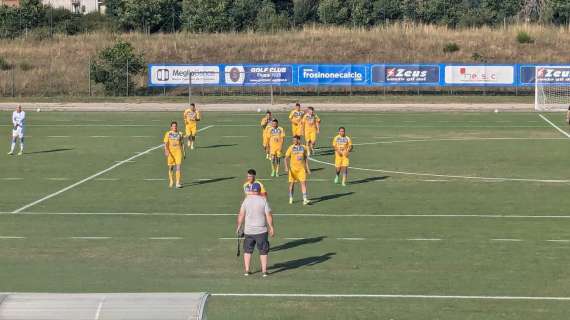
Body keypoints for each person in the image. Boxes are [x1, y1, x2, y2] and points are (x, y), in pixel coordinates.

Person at [236, 191, 275, 277]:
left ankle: (247, 270)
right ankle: (264, 271)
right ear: (258, 191)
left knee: (247, 251)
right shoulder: (263, 200)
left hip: (248, 231)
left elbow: (241, 214)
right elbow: (268, 215)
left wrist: (239, 226)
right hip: (261, 230)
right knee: (263, 251)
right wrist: (271, 227)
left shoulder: (246, 200)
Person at [284, 135, 311, 205]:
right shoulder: (291, 147)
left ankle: (305, 199)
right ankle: (291, 197)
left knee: (303, 183)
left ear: (299, 140)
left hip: (301, 169)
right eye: (293, 140)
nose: (294, 141)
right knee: (292, 184)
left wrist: (307, 168)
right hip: (293, 169)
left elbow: (305, 158)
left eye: (295, 140)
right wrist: (286, 167)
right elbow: (286, 157)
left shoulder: (304, 147)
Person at [163, 121, 185, 188]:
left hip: (178, 152)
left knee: (178, 167)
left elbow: (182, 143)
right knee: (171, 167)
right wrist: (166, 150)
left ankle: (177, 182)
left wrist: (184, 152)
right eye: (173, 126)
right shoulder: (168, 133)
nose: (174, 127)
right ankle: (171, 180)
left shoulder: (180, 133)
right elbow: (165, 143)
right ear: (171, 127)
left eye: (175, 126)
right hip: (171, 152)